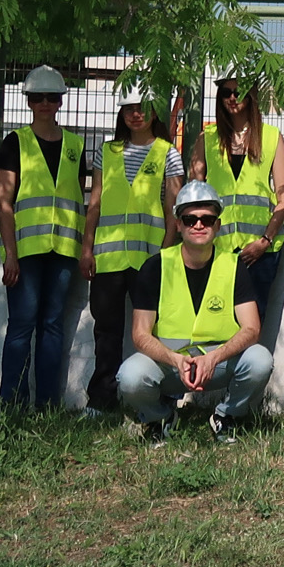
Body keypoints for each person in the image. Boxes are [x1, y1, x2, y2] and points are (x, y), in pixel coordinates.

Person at [115, 180, 273, 445]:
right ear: (178, 224)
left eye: (207, 219)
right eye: (190, 219)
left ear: (217, 225)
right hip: (170, 363)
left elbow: (252, 328)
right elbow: (140, 334)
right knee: (130, 376)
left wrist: (213, 358)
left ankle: (226, 416)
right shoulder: (155, 267)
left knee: (260, 360)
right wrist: (175, 360)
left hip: (217, 362)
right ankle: (161, 418)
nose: (199, 225)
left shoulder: (234, 265)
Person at [0, 64, 95, 409]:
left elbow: (78, 198)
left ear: (61, 101)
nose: (45, 104)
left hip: (63, 250)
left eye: (52, 97)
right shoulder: (15, 143)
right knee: (22, 325)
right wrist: (10, 254)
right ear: (29, 101)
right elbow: (3, 203)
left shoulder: (75, 145)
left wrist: (83, 250)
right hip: (25, 252)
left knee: (52, 326)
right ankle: (12, 404)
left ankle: (47, 406)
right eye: (38, 98)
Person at [79, 90, 180, 417]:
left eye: (143, 108)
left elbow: (173, 211)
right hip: (108, 259)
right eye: (129, 109)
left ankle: (155, 399)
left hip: (149, 260)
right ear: (121, 114)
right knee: (106, 332)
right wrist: (87, 248)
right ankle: (101, 400)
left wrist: (166, 254)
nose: (136, 114)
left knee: (153, 332)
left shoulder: (167, 153)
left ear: (155, 113)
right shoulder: (106, 152)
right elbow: (95, 204)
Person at [203, 69, 284, 333]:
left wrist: (265, 240)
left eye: (238, 91)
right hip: (217, 249)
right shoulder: (207, 138)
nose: (232, 98)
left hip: (259, 253)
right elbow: (195, 194)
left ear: (251, 95)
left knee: (251, 326)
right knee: (216, 321)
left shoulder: (271, 137)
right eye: (226, 92)